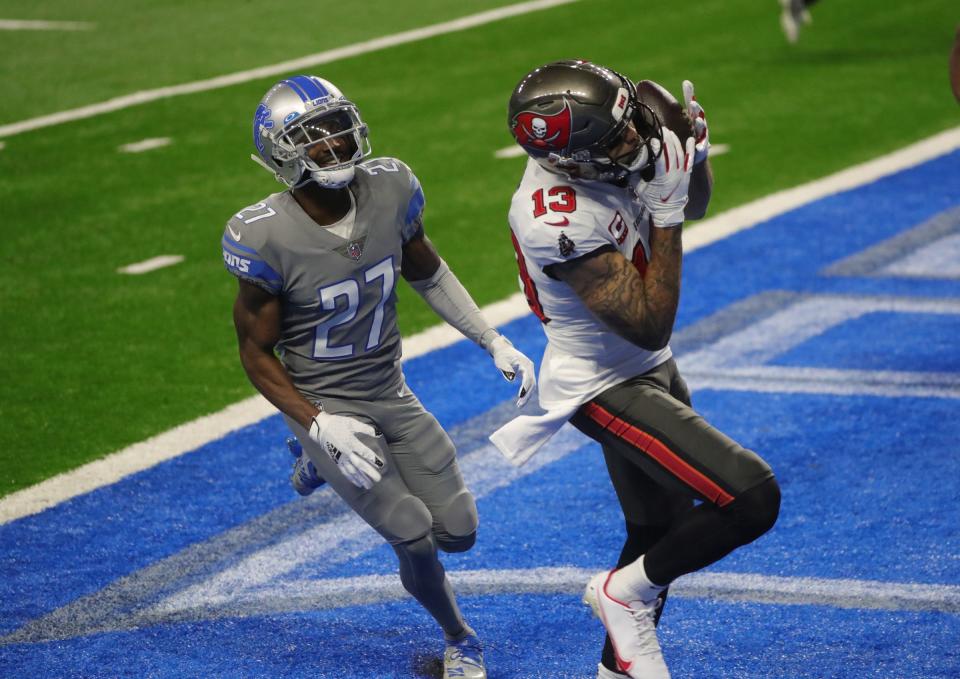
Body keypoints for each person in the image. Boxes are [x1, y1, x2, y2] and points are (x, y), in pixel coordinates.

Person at [222, 74, 537, 679]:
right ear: (282, 154)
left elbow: (428, 271)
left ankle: (313, 462)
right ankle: (459, 639)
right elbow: (257, 354)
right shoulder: (262, 234)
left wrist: (491, 338)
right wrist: (316, 422)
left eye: (339, 128)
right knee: (414, 535)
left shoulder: (391, 186)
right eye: (314, 138)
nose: (336, 145)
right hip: (321, 399)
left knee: (460, 532)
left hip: (387, 387)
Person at [490, 60, 781, 679]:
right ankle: (620, 596)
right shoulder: (551, 216)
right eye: (618, 140)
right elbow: (651, 320)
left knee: (658, 528)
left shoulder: (614, 134)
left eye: (631, 124)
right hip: (603, 382)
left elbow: (691, 202)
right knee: (752, 499)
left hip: (650, 367)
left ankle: (615, 671)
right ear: (571, 160)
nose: (636, 140)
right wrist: (667, 213)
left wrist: (693, 158)